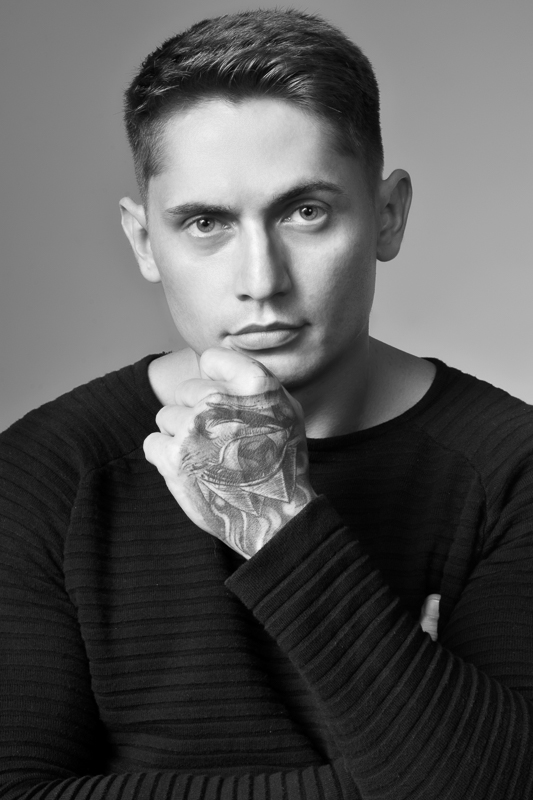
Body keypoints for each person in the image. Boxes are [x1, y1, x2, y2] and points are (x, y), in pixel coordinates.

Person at [0, 7, 532, 799]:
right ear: (144, 242)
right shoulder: (48, 472)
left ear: (386, 216)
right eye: (205, 223)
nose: (261, 280)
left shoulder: (513, 468)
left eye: (304, 211)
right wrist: (391, 774)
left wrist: (279, 522)